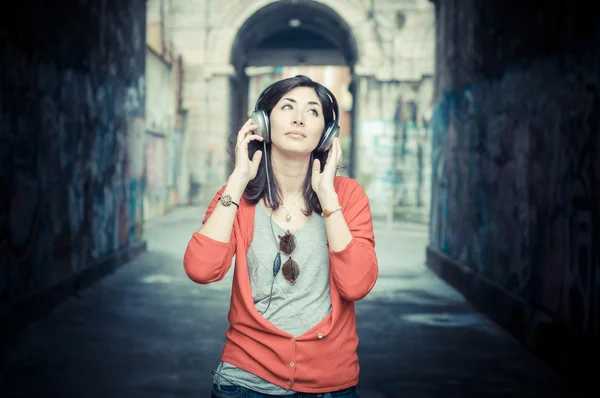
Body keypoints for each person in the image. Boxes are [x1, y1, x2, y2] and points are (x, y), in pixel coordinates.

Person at [183, 75, 378, 398]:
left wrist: (328, 197)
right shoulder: (235, 198)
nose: (299, 118)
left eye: (313, 112)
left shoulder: (347, 196)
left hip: (329, 386)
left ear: (327, 134)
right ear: (262, 122)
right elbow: (202, 270)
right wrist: (238, 179)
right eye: (287, 107)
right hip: (244, 382)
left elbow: (357, 284)